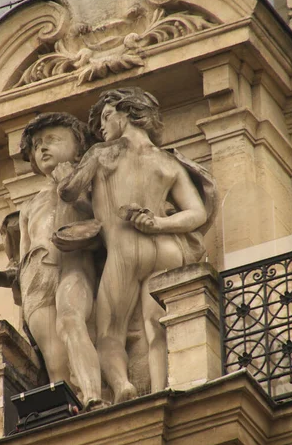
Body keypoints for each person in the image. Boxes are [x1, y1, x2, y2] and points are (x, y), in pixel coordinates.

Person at [58, 87, 216, 403]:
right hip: (166, 249)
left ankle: (122, 387)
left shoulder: (103, 153)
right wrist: (158, 224)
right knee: (156, 325)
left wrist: (65, 175)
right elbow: (197, 212)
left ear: (129, 112)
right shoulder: (168, 163)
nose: (102, 127)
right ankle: (161, 390)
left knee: (108, 335)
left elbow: (67, 192)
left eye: (106, 116)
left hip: (125, 253)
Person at [0, 112, 104, 410]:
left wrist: (68, 188)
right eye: (37, 145)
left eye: (53, 140)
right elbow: (21, 258)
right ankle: (69, 412)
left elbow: (104, 220)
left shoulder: (87, 184)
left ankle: (93, 395)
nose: (43, 148)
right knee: (54, 358)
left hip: (71, 264)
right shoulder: (30, 206)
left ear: (79, 146)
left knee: (74, 321)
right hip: (35, 280)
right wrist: (2, 277)